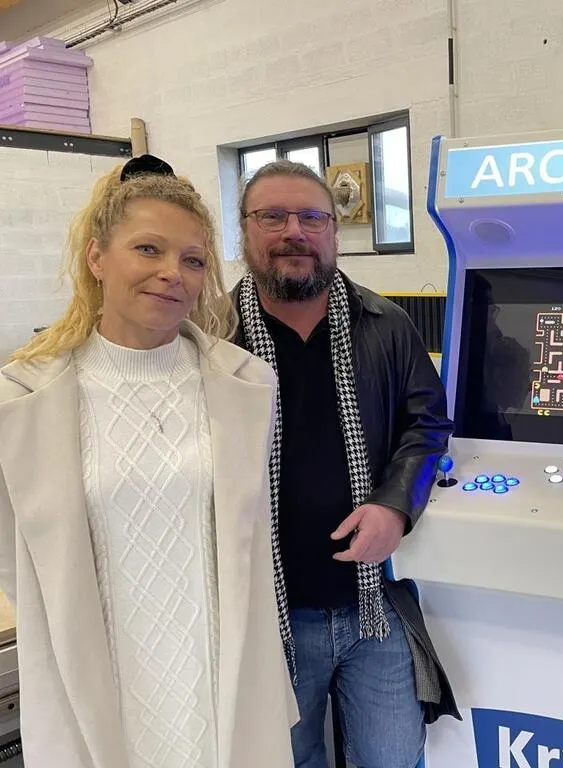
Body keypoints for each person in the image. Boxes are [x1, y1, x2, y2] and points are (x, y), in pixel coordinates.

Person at [0, 155, 298, 768]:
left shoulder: (244, 385)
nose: (172, 274)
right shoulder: (24, 399)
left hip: (218, 685)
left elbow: (247, 545)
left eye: (193, 260)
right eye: (148, 249)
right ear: (96, 257)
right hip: (103, 686)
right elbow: (17, 560)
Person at [229, 159, 458, 768]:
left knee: (393, 758)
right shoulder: (213, 337)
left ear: (334, 231)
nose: (294, 232)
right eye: (272, 216)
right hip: (265, 618)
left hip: (373, 607)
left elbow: (427, 425)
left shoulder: (387, 325)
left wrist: (395, 505)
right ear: (244, 229)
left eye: (312, 217)